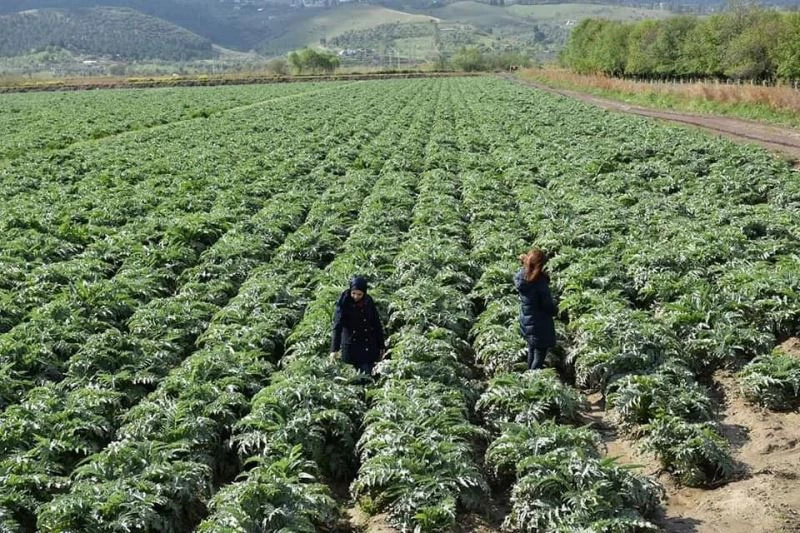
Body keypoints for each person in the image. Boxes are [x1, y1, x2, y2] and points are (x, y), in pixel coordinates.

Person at [330, 276, 386, 375]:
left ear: (364, 293)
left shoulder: (368, 301)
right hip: (352, 344)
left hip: (368, 343)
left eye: (359, 294)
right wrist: (334, 349)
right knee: (359, 376)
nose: (356, 296)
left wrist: (381, 345)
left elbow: (376, 323)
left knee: (371, 372)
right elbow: (337, 326)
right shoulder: (344, 302)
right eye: (354, 293)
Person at [514, 249, 558, 371]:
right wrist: (555, 310)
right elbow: (547, 305)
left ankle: (529, 375)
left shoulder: (522, 276)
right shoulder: (539, 282)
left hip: (528, 321)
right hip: (540, 324)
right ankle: (533, 380)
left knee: (532, 349)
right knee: (539, 355)